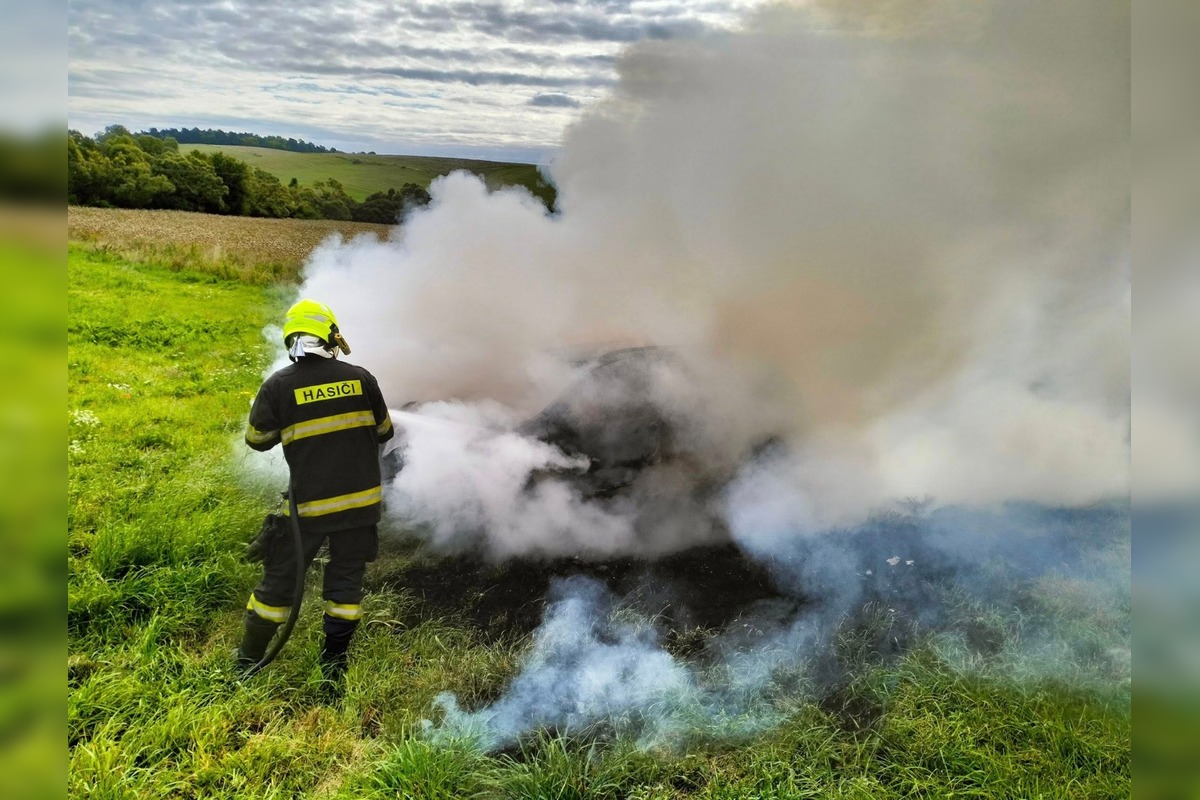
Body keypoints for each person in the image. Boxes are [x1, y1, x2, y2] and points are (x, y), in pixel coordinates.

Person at [236, 299, 393, 684]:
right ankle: (333, 664)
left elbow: (257, 440)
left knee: (280, 582)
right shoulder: (362, 378)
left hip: (308, 508)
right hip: (361, 506)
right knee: (346, 584)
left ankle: (247, 663)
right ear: (330, 335)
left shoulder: (278, 386)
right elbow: (386, 433)